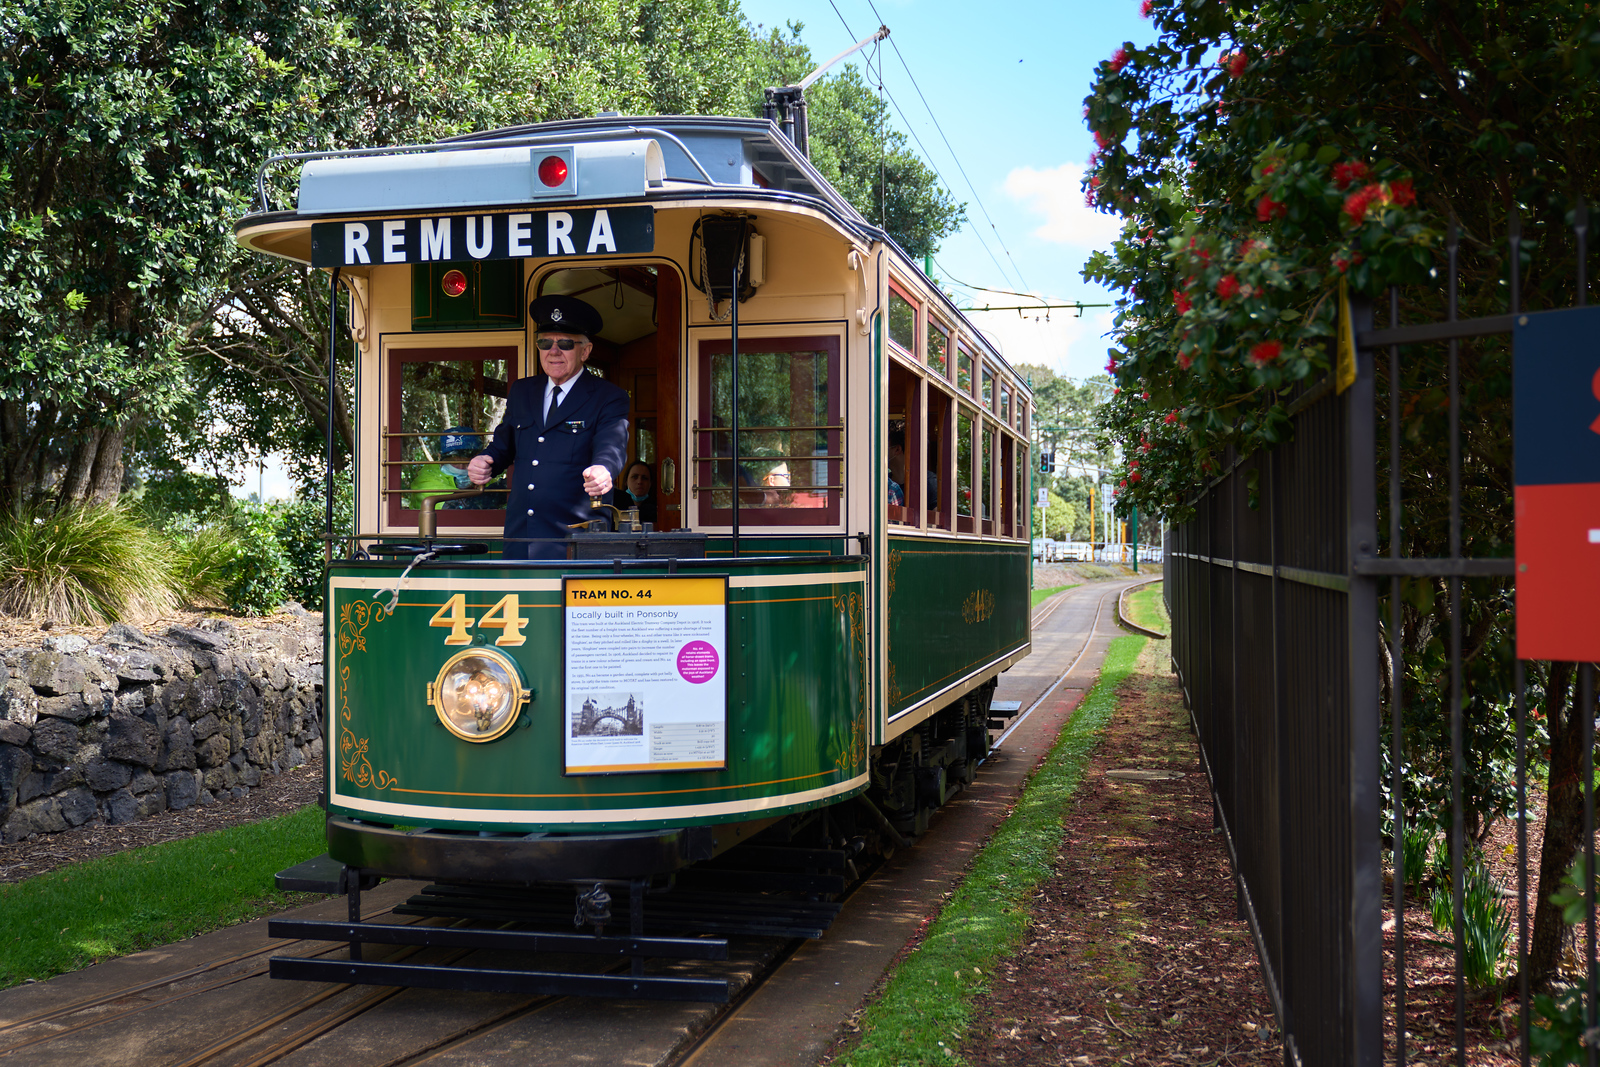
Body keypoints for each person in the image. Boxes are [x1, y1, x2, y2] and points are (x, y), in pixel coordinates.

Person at [467, 295, 628, 559]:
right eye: (545, 342)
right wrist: (486, 461)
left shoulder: (608, 396)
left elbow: (612, 446)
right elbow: (503, 446)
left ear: (585, 351)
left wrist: (603, 469)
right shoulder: (522, 390)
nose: (553, 351)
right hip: (521, 536)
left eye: (565, 343)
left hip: (576, 540)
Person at [617, 460, 657, 526]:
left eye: (644, 478)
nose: (639, 482)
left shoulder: (657, 511)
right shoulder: (616, 507)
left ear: (650, 483)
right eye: (635, 477)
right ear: (626, 482)